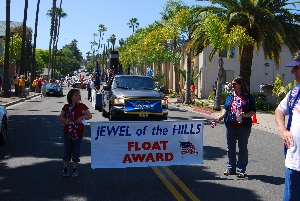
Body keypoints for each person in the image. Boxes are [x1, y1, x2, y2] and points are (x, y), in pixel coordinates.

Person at [216, 77, 256, 178]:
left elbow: (253, 111)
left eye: (234, 84)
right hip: (230, 125)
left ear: (240, 85)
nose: (232, 86)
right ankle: (230, 168)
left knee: (242, 148)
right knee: (230, 148)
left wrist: (245, 115)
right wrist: (222, 116)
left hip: (243, 126)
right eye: (232, 84)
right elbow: (225, 108)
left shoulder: (248, 97)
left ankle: (241, 170)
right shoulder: (230, 96)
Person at [275, 50, 300, 201]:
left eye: (296, 68)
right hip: (294, 163)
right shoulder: (295, 92)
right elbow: (279, 110)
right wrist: (282, 130)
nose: (292, 72)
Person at [59, 89, 92, 177]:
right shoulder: (66, 106)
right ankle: (65, 168)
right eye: (76, 95)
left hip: (78, 132)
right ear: (71, 97)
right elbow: (61, 117)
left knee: (76, 150)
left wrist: (82, 117)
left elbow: (89, 115)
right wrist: (65, 120)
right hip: (68, 131)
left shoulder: (82, 106)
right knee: (67, 149)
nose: (78, 97)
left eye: (79, 95)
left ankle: (74, 169)